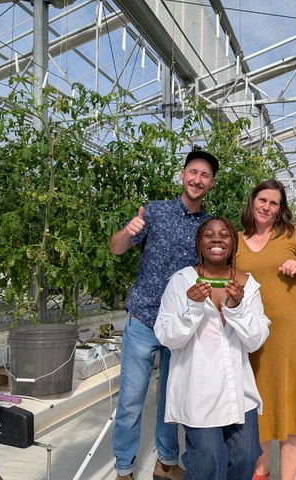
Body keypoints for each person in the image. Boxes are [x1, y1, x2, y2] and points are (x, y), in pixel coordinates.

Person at [109, 150, 219, 480]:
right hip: (142, 319)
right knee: (130, 400)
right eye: (193, 172)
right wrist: (128, 231)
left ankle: (167, 462)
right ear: (183, 175)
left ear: (211, 183)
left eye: (205, 175)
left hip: (182, 325)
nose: (198, 179)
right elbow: (116, 248)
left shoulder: (209, 226)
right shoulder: (154, 212)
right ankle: (124, 469)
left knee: (172, 401)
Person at [154, 217, 270, 480]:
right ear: (199, 243)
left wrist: (237, 308)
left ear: (233, 243)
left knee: (246, 456)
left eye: (224, 234)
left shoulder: (247, 286)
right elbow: (167, 337)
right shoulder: (181, 281)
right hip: (198, 389)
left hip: (237, 390)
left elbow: (255, 340)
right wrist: (192, 307)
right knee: (208, 463)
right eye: (208, 234)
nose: (216, 239)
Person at [235, 179, 296, 480]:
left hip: (293, 332)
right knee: (259, 400)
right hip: (253, 336)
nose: (266, 207)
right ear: (252, 202)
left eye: (273, 203)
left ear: (280, 209)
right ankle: (261, 471)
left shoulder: (292, 233)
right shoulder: (235, 240)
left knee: (293, 402)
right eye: (262, 200)